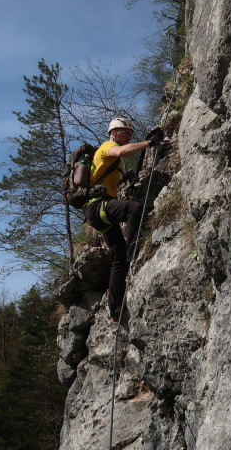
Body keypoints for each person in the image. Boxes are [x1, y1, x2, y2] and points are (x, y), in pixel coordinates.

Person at [83, 117, 163, 322]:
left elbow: (106, 177)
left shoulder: (110, 160)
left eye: (130, 134)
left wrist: (124, 177)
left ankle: (115, 310)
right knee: (134, 209)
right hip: (98, 205)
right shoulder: (108, 146)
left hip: (96, 211)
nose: (128, 137)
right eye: (125, 133)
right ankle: (134, 253)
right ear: (113, 133)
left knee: (118, 259)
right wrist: (150, 143)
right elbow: (120, 151)